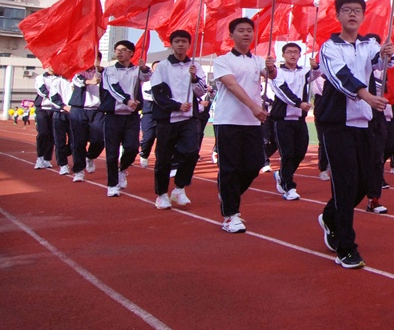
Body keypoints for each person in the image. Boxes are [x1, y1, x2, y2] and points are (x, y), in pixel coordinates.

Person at [315, 0, 394, 269]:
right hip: (337, 123)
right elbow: (341, 78)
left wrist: (387, 54)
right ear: (337, 16)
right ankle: (346, 247)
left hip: (364, 122)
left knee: (366, 181)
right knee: (345, 182)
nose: (352, 15)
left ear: (363, 16)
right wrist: (366, 96)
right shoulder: (329, 48)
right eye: (346, 10)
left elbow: (384, 65)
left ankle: (330, 215)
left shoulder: (369, 44)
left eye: (357, 11)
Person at [211, 18, 278, 233]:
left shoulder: (257, 60)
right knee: (230, 167)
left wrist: (271, 68)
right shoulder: (222, 61)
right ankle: (231, 215)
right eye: (241, 30)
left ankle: (228, 192)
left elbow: (271, 76)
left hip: (251, 121)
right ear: (231, 35)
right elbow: (231, 85)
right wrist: (253, 106)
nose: (246, 34)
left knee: (254, 164)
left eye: (249, 30)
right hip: (228, 120)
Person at [149, 30, 209, 210]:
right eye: (177, 41)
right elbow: (157, 93)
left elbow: (201, 91)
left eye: (184, 41)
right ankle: (161, 194)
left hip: (189, 118)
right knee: (164, 159)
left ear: (189, 44)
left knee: (191, 152)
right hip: (168, 119)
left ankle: (180, 187)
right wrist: (176, 106)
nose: (180, 44)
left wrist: (194, 79)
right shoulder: (162, 67)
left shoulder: (195, 66)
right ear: (171, 44)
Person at [266, 42, 320, 201]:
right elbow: (282, 91)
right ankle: (288, 186)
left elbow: (318, 74)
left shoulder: (303, 72)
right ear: (283, 55)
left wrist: (315, 66)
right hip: (282, 119)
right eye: (289, 52)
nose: (293, 55)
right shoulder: (277, 73)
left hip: (299, 119)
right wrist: (299, 103)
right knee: (287, 153)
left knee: (300, 152)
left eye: (296, 52)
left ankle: (282, 175)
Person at [99, 41, 153, 197]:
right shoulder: (109, 71)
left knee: (132, 148)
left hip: (131, 117)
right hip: (113, 116)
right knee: (112, 152)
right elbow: (113, 89)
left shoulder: (137, 71)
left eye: (123, 50)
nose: (119, 53)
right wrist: (127, 100)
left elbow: (148, 76)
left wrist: (143, 68)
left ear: (131, 53)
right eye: (117, 50)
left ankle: (122, 169)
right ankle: (112, 184)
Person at [67, 54, 105, 183]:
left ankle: (91, 156)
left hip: (98, 111)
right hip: (79, 110)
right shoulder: (77, 72)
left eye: (95, 59)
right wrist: (92, 81)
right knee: (78, 142)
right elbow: (80, 81)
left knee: (99, 139)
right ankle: (78, 170)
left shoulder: (104, 72)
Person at [33, 70, 58, 169]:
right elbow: (42, 90)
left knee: (52, 134)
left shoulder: (59, 78)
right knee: (43, 133)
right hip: (42, 109)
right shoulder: (40, 78)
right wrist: (55, 97)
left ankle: (47, 159)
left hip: (55, 109)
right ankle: (40, 157)